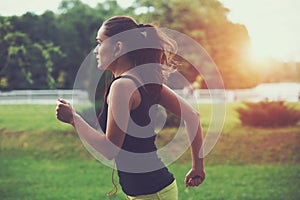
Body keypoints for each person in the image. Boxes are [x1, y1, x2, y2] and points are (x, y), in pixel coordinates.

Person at [56, 16, 205, 200]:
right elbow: (192, 115)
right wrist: (198, 167)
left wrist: (73, 118)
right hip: (153, 190)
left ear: (118, 47)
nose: (95, 51)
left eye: (100, 42)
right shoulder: (145, 80)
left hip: (151, 194)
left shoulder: (123, 86)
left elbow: (109, 149)